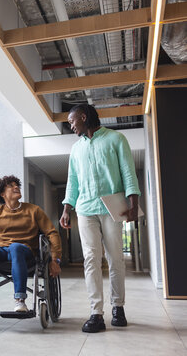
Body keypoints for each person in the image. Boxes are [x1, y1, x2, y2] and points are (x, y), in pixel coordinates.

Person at [60, 104, 140, 333]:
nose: (71, 125)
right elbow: (72, 181)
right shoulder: (76, 149)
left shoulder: (116, 139)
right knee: (91, 259)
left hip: (111, 207)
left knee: (115, 258)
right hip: (85, 209)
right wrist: (67, 208)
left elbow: (128, 172)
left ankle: (118, 307)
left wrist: (133, 204)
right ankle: (96, 312)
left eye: (72, 121)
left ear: (84, 117)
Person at [0, 175, 62, 319]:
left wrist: (55, 259)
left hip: (25, 253)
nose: (16, 187)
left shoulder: (33, 211)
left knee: (15, 247)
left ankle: (20, 301)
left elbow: (52, 233)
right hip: (1, 252)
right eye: (11, 186)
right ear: (2, 194)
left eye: (17, 185)